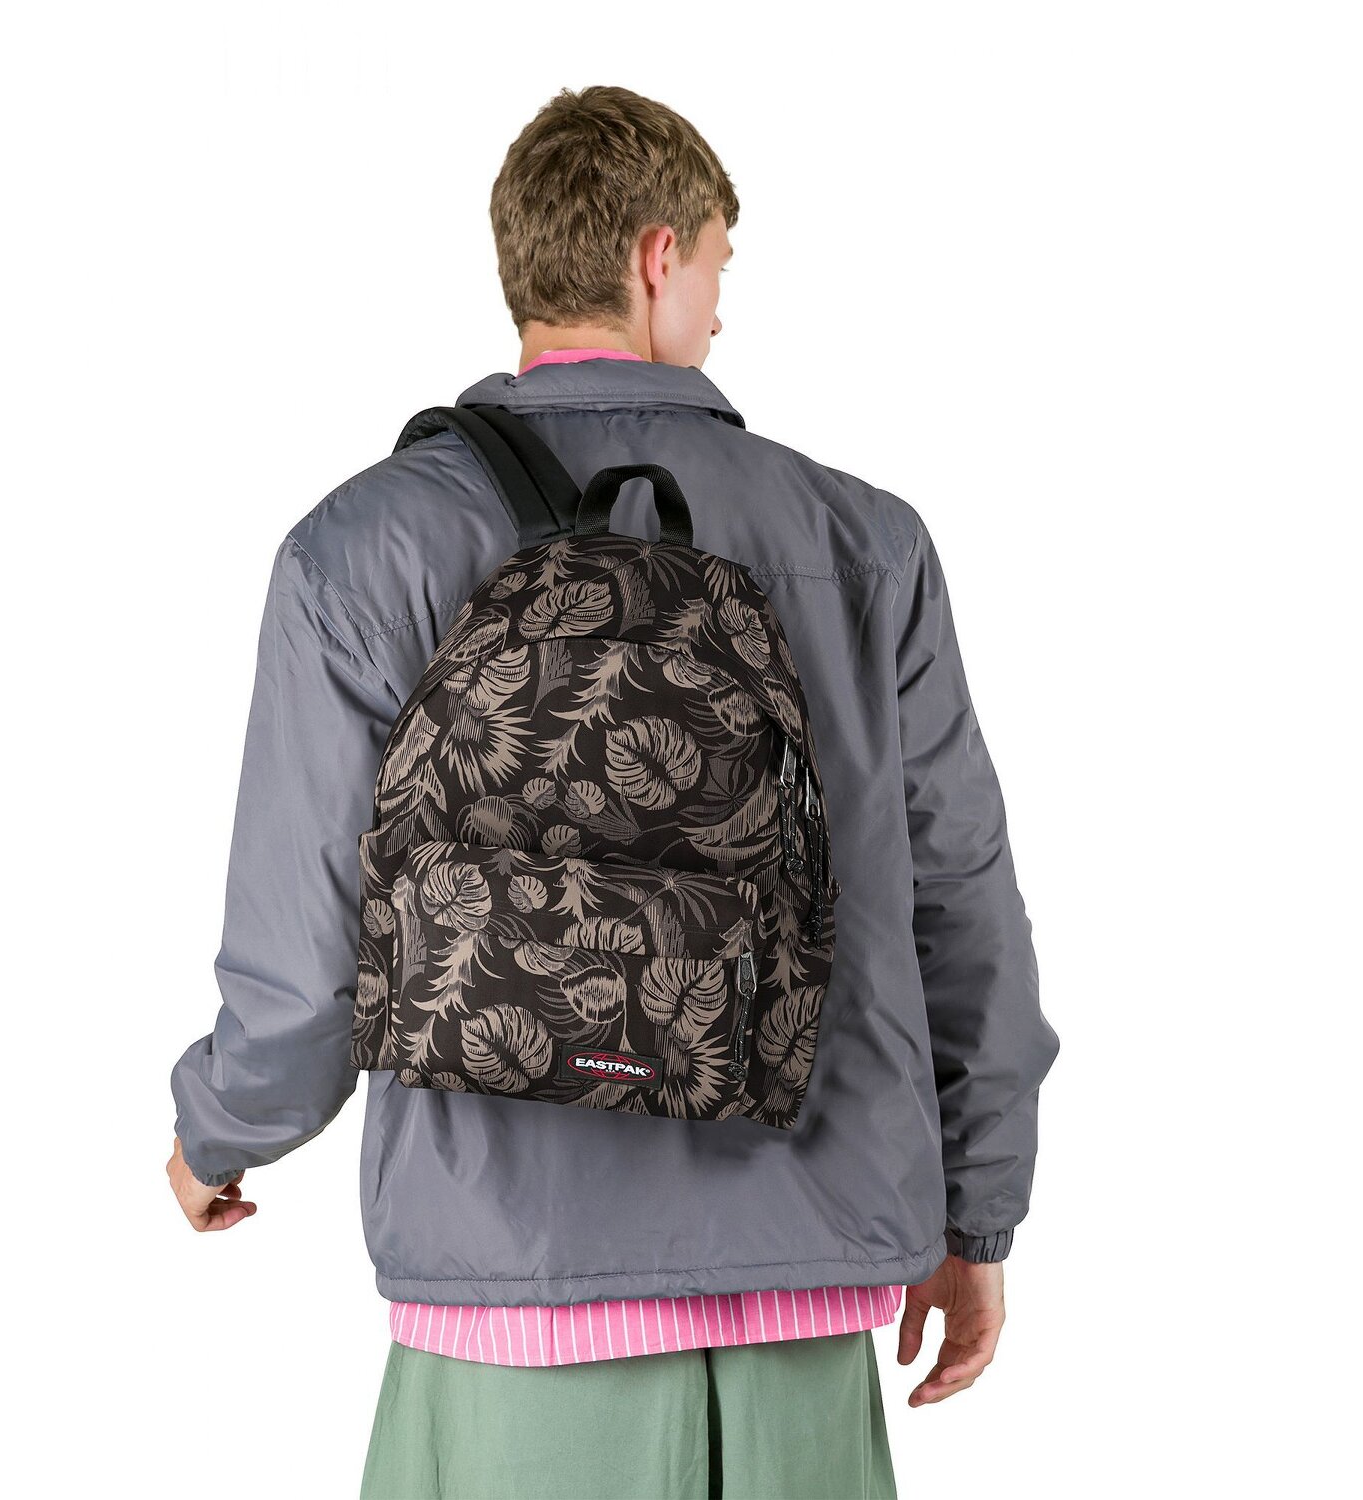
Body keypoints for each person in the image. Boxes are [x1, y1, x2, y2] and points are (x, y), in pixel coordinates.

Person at [166, 84, 1059, 1500]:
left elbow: (309, 952)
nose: (721, 309)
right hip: (807, 1276)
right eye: (717, 267)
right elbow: (961, 904)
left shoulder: (359, 549)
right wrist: (980, 1212)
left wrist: (221, 1130)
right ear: (657, 257)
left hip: (509, 1296)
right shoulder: (865, 541)